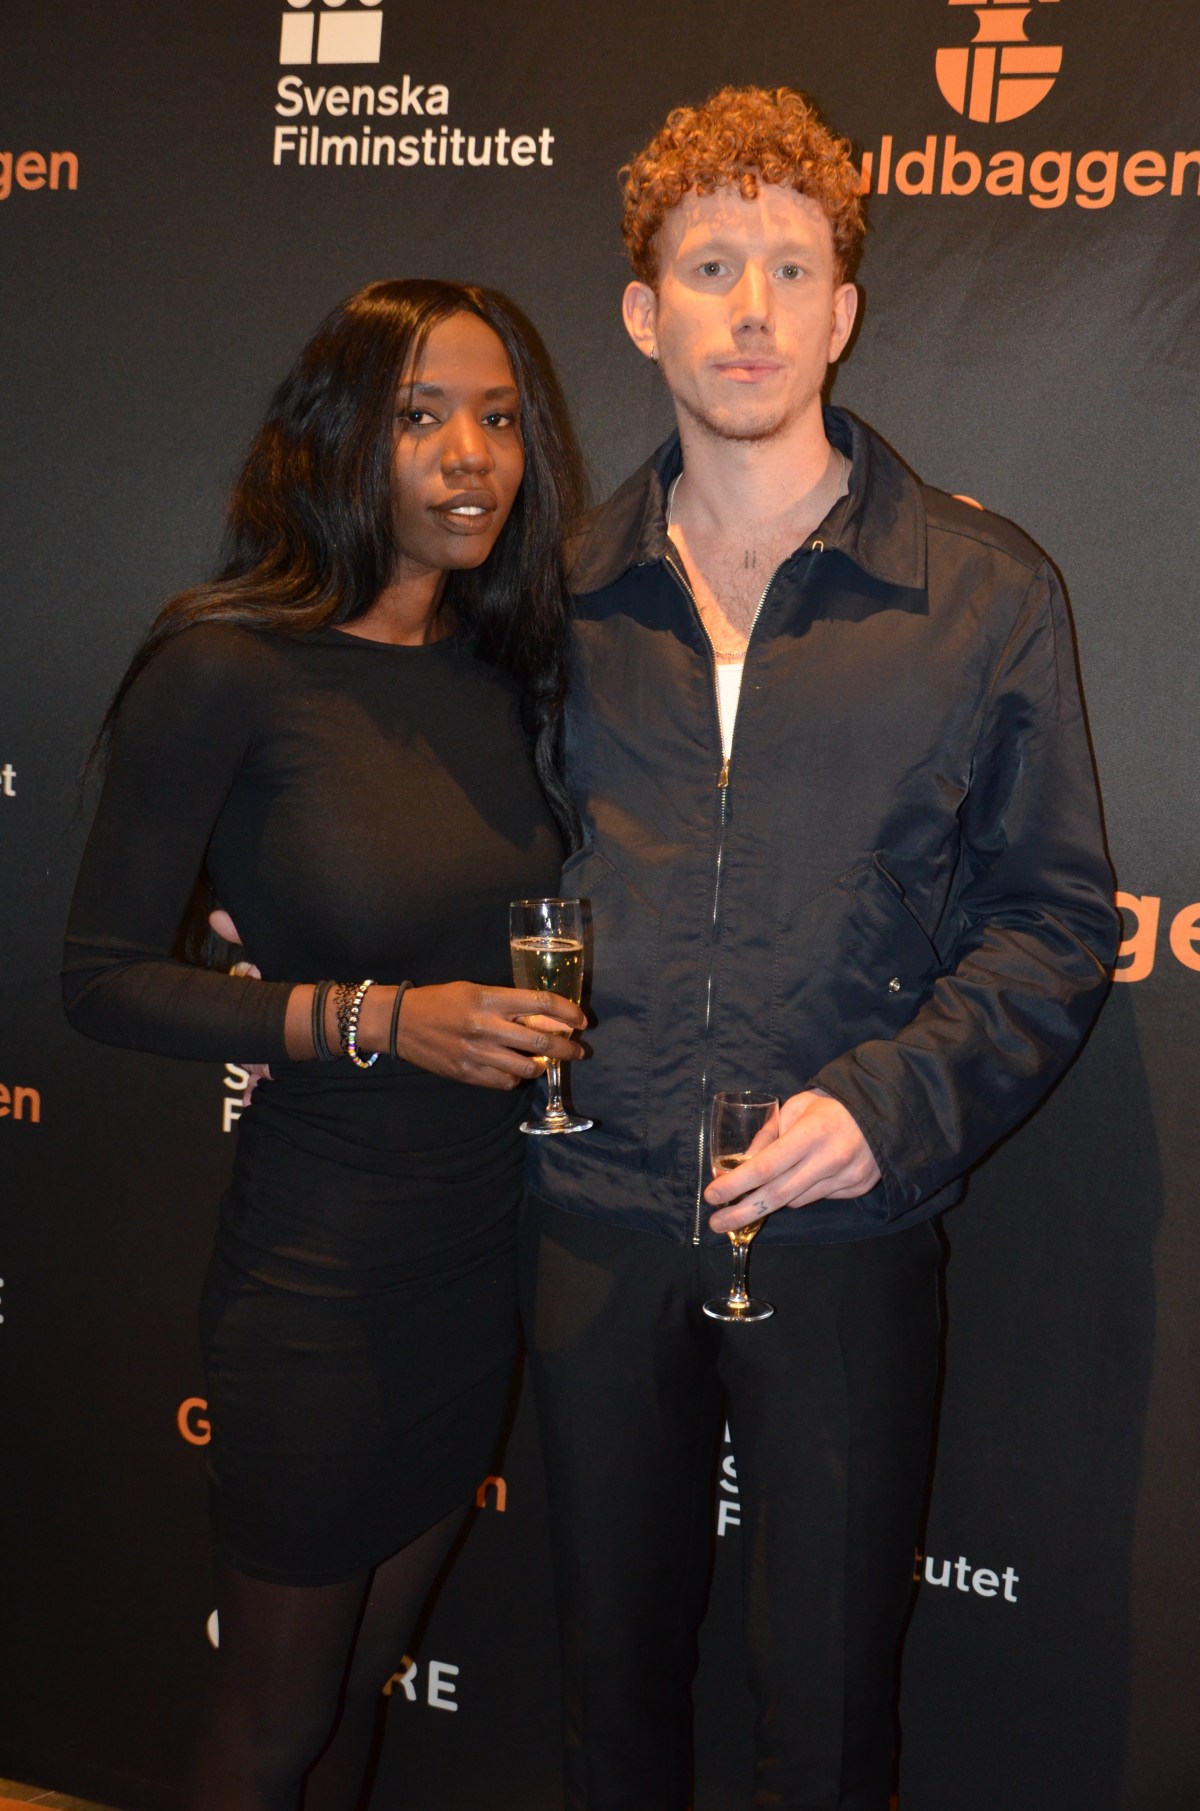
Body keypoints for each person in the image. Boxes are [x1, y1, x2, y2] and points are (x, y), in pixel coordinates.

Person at [518, 87, 1120, 1810]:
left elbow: (1054, 918)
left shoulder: (982, 590)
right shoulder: (553, 593)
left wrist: (888, 1107)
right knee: (608, 1708)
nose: (754, 307)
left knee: (832, 1724)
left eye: (792, 267)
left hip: (847, 1224)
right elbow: (468, 849)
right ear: (644, 312)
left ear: (844, 310)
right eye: (711, 266)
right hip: (597, 1213)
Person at [62, 278, 586, 1811]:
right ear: (339, 438)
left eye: (499, 419)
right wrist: (377, 1019)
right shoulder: (226, 666)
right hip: (322, 1279)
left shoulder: (503, 677)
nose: (471, 455)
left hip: (476, 1260)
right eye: (421, 417)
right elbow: (100, 981)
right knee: (275, 1717)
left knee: (361, 1686)